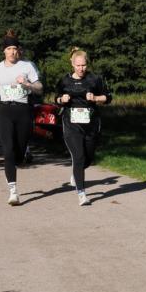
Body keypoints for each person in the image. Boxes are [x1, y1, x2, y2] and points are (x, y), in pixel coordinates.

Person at [0, 33, 43, 205]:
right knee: (7, 150)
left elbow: (39, 87)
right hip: (4, 111)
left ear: (19, 51)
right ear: (4, 51)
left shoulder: (28, 66)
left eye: (14, 49)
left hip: (23, 111)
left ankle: (23, 153)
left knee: (17, 154)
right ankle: (13, 191)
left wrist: (28, 85)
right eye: (8, 49)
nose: (12, 52)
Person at [56, 48, 111, 206]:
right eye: (78, 65)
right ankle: (82, 193)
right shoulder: (64, 81)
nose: (81, 69)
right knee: (78, 157)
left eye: (84, 65)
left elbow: (108, 97)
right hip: (71, 124)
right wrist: (62, 99)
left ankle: (76, 172)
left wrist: (95, 98)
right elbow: (56, 98)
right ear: (72, 64)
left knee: (88, 157)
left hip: (91, 125)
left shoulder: (95, 80)